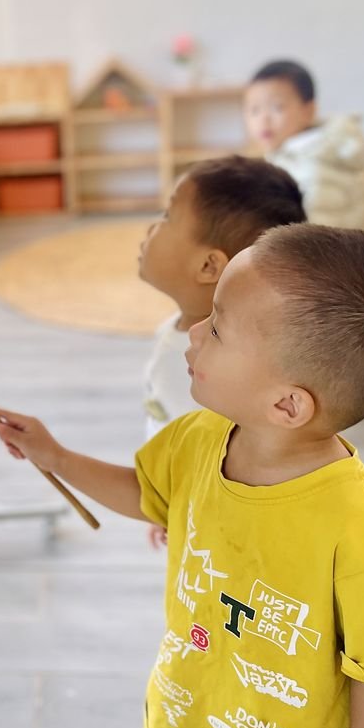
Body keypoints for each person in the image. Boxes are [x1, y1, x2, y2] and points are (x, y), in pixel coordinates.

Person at [0, 224, 364, 728]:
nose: (193, 331)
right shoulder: (198, 437)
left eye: (217, 329)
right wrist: (55, 457)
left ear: (287, 404)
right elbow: (150, 495)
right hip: (183, 716)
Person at [139, 155, 305, 547]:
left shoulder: (205, 367)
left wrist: (171, 501)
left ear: (209, 266)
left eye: (167, 216)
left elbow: (218, 468)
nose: (151, 227)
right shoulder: (178, 331)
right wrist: (165, 496)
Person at [244, 60, 364, 229]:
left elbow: (316, 234)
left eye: (277, 107)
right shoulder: (287, 157)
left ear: (308, 111)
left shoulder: (315, 167)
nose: (263, 119)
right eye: (254, 110)